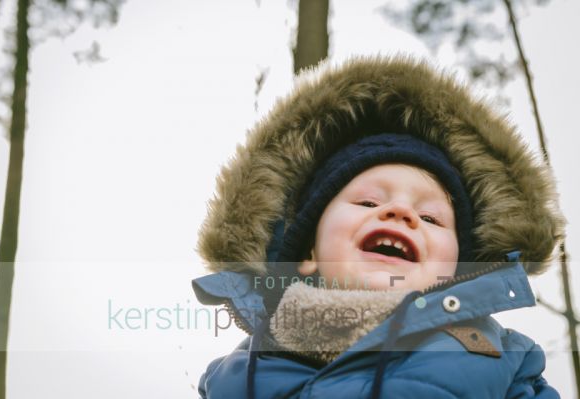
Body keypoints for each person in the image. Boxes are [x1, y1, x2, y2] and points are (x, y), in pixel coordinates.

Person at [192, 56, 565, 398]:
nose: (401, 211)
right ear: (307, 253)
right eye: (368, 202)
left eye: (432, 218)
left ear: (460, 271)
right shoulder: (235, 374)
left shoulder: (503, 358)